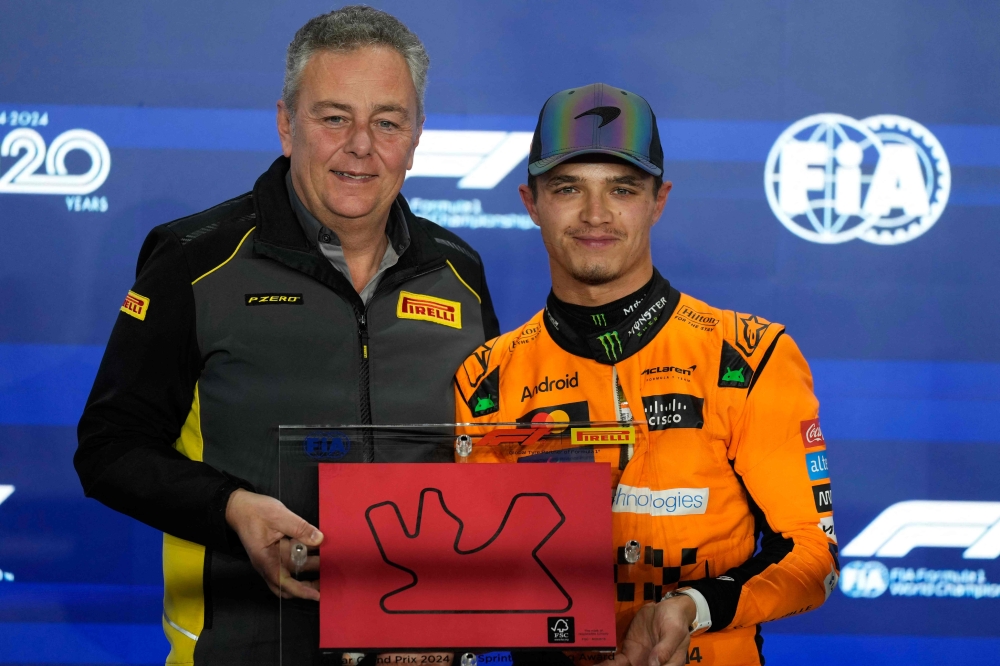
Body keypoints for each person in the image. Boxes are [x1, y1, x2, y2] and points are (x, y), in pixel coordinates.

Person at [75, 6, 498, 665]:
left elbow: (484, 464)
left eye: (387, 121)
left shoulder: (458, 273)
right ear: (285, 124)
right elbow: (108, 450)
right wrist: (232, 510)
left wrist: (453, 620)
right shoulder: (194, 261)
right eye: (334, 118)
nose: (361, 144)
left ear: (415, 138)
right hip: (238, 649)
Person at [454, 83, 839, 666]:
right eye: (567, 188)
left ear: (658, 201)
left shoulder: (748, 356)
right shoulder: (487, 378)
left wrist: (691, 606)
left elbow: (814, 556)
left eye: (622, 189)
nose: (595, 215)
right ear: (530, 203)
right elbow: (472, 564)